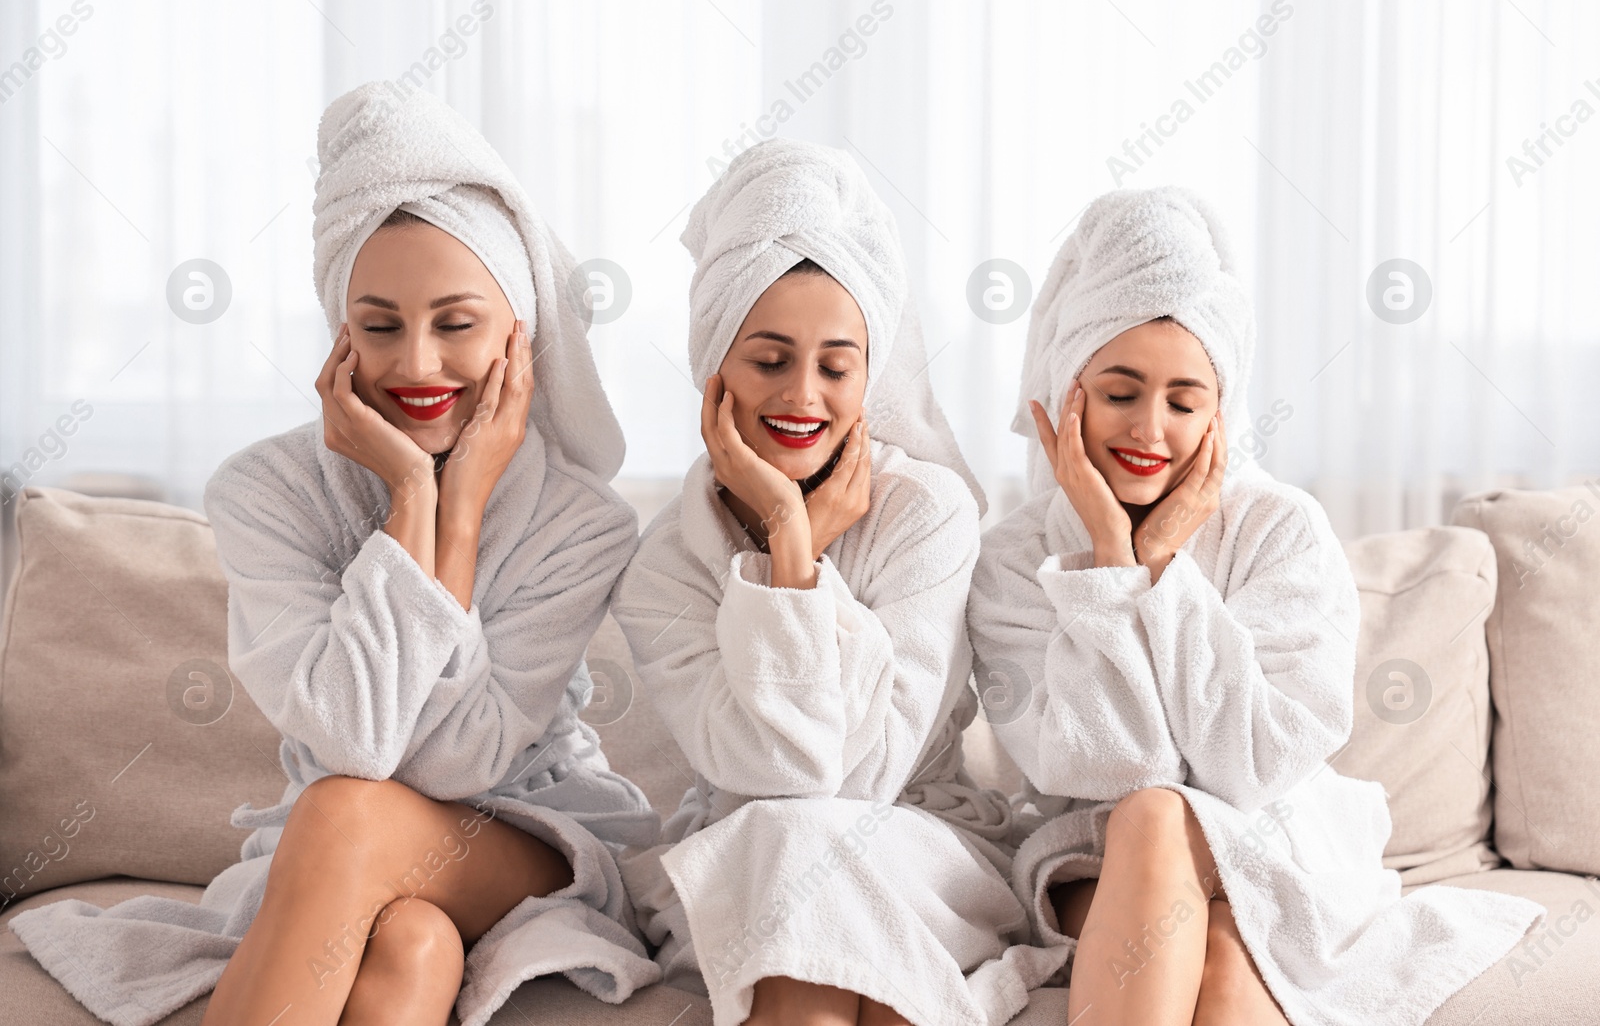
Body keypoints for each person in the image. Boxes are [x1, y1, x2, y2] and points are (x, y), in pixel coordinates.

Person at [9, 83, 661, 1026]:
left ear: (518, 332)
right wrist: (414, 501)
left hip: (532, 839)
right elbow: (353, 737)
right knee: (410, 946)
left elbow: (461, 760)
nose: (418, 366)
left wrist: (460, 511)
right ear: (338, 330)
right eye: (381, 324)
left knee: (343, 810)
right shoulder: (266, 490)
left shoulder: (581, 520)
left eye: (457, 322)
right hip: (350, 846)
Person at [967, 186, 1544, 1026]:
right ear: (1065, 391)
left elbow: (1258, 766)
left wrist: (1163, 567)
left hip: (1277, 838)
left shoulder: (1280, 528)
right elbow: (1106, 769)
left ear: (1221, 408)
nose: (1150, 430)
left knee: (1226, 942)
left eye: (1184, 400)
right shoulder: (1015, 560)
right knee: (1167, 848)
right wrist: (1112, 563)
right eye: (1121, 390)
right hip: (1093, 856)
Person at [611, 138, 1066, 1026]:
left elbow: (857, 783)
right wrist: (793, 549)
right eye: (769, 358)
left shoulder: (928, 514)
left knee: (809, 874)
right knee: (790, 853)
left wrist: (792, 561)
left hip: (923, 844)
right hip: (751, 847)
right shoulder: (663, 565)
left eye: (835, 365)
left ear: (869, 372)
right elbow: (785, 776)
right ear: (715, 367)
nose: (803, 396)